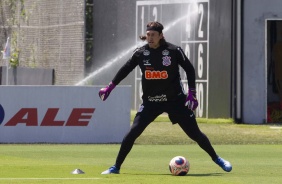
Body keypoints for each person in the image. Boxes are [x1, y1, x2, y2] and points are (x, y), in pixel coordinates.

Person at [99, 21, 232, 174]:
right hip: (151, 102)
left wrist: (192, 93)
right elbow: (125, 69)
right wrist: (110, 86)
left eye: (153, 35)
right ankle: (115, 167)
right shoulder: (141, 53)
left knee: (195, 134)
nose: (150, 38)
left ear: (161, 35)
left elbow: (189, 69)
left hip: (175, 101)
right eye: (148, 35)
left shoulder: (174, 51)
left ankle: (217, 159)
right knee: (132, 133)